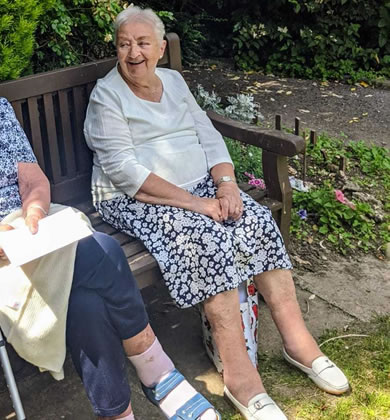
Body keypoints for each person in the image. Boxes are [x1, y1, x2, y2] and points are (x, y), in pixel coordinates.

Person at [0, 21, 221, 420]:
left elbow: (34, 178)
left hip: (30, 231)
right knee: (103, 254)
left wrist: (36, 210)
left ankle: (118, 413)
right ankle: (155, 369)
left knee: (86, 299)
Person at [83, 7, 350, 420]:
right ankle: (240, 377)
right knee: (204, 239)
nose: (133, 52)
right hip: (135, 198)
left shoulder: (172, 80)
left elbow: (208, 136)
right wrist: (197, 204)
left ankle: (299, 344)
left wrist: (226, 185)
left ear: (158, 47)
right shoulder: (107, 95)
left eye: (142, 43)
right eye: (124, 44)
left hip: (201, 189)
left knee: (256, 221)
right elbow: (123, 170)